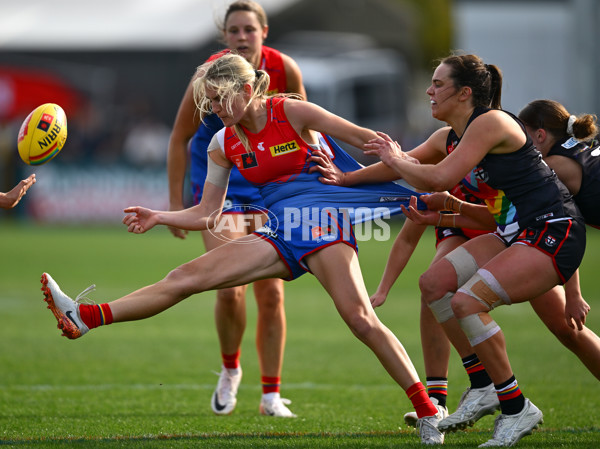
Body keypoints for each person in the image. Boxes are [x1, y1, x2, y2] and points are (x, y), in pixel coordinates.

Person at [41, 53, 445, 445]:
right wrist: (161, 216)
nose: (214, 108)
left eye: (219, 98)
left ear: (248, 88)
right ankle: (86, 317)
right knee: (184, 278)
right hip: (280, 231)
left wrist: (375, 174)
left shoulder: (291, 112)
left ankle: (428, 412)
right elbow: (207, 212)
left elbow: (373, 142)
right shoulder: (222, 143)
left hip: (322, 220)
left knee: (359, 320)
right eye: (209, 100)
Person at [314, 53, 587, 447]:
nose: (429, 90)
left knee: (468, 304)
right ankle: (481, 384)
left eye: (438, 84)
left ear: (464, 93)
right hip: (514, 231)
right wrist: (344, 179)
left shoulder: (490, 122)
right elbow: (405, 166)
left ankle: (515, 407)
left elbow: (439, 176)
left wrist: (394, 157)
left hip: (553, 231)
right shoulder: (453, 135)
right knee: (433, 284)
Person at [166, 0, 307, 417]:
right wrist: (176, 205)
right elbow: (180, 138)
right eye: (234, 31)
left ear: (264, 32)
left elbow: (305, 130)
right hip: (220, 186)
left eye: (249, 29)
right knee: (228, 289)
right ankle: (230, 370)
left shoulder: (286, 70)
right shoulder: (205, 77)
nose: (242, 37)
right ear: (224, 37)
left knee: (271, 294)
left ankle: (270, 397)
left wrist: (308, 191)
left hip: (268, 187)